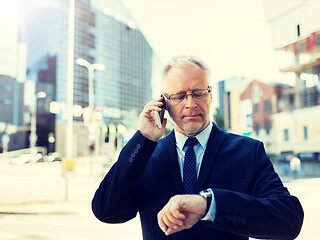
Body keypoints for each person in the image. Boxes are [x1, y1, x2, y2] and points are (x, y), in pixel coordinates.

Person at [92, 56, 304, 239]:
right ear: (163, 102)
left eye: (198, 93)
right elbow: (106, 211)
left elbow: (288, 220)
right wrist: (143, 139)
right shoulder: (145, 156)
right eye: (179, 96)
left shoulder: (249, 152)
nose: (190, 103)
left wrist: (209, 205)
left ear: (210, 95)